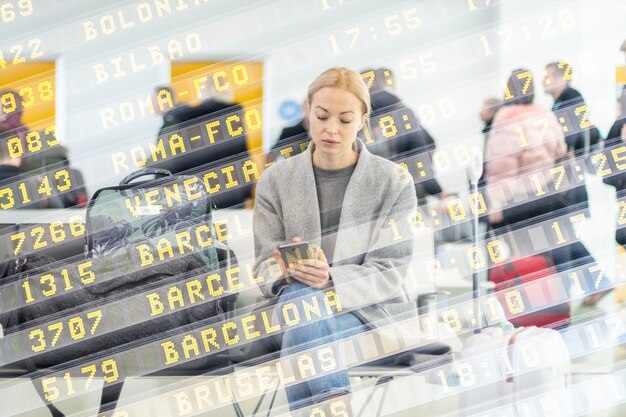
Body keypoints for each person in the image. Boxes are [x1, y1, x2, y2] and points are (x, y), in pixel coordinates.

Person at [253, 67, 417, 413]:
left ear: (362, 119)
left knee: (302, 334)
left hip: (367, 315)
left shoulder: (393, 182)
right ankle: (334, 402)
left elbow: (391, 270)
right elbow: (264, 264)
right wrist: (290, 273)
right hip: (288, 310)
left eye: (344, 119)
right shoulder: (275, 180)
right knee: (301, 299)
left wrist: (330, 279)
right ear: (307, 111)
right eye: (322, 116)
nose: (331, 129)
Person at [486, 68, 566, 244]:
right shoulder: (545, 114)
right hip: (546, 195)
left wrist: (496, 201)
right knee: (545, 258)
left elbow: (502, 166)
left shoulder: (506, 118)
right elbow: (561, 151)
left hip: (518, 202)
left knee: (523, 260)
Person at [151, 76, 252, 209]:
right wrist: (247, 193)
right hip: (230, 194)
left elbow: (176, 161)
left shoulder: (186, 118)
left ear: (202, 92)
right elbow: (243, 158)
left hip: (197, 193)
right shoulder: (233, 118)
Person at [361, 68, 448, 204]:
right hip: (408, 186)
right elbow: (420, 148)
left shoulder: (364, 118)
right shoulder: (396, 109)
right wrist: (436, 189)